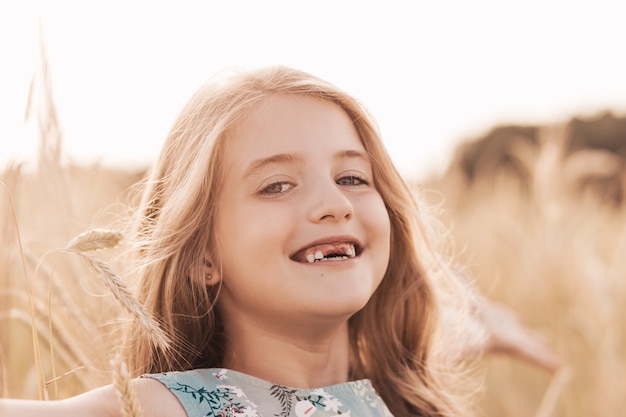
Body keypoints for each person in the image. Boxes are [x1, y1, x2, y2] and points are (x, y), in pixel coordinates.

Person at [0, 66, 555, 417]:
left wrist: (486, 326)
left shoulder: (399, 393)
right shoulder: (161, 406)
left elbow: (440, 330)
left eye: (352, 178)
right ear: (202, 257)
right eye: (277, 185)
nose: (333, 202)